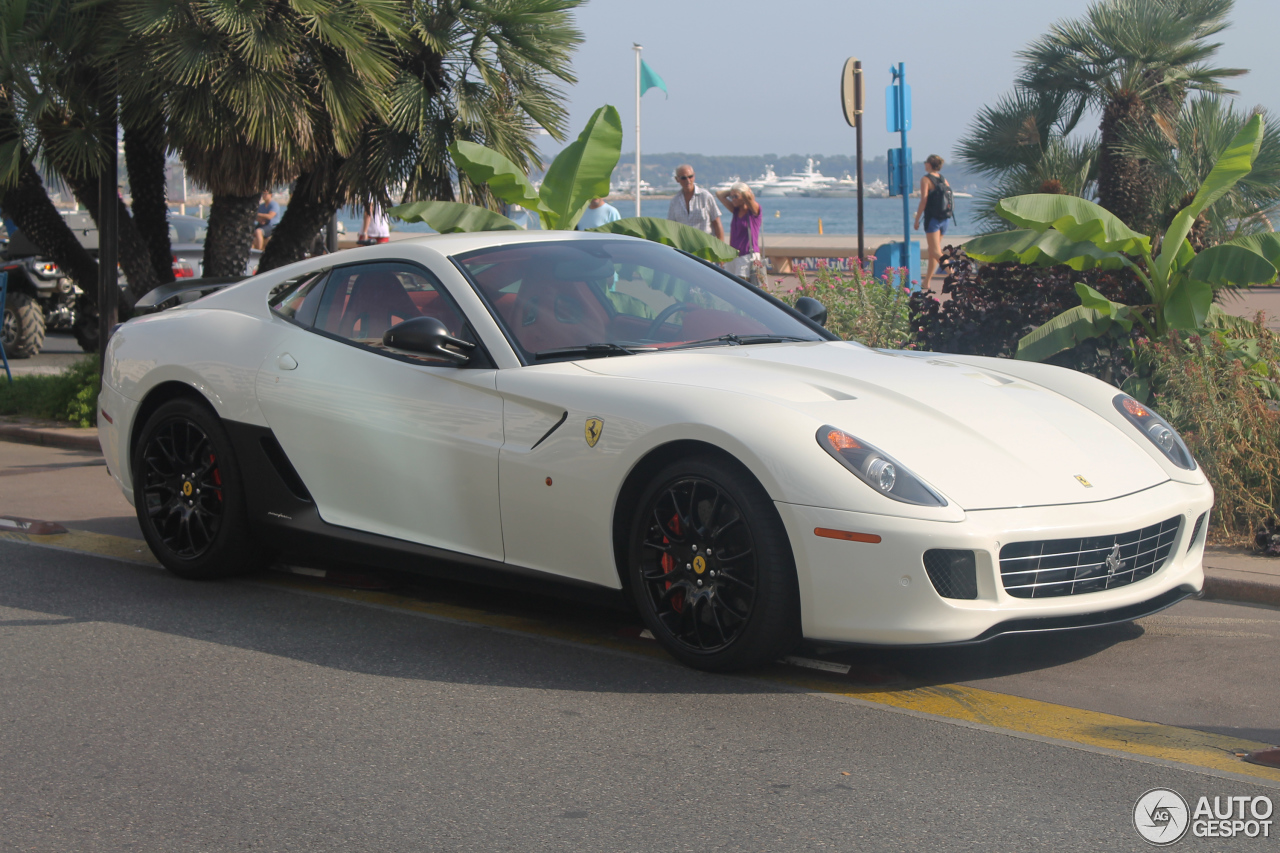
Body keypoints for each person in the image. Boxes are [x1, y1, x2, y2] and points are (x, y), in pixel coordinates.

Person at [913, 154, 953, 294]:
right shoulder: (943, 179)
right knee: (933, 251)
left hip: (933, 220)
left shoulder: (926, 179)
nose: (924, 164)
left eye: (925, 162)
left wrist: (917, 219)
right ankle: (926, 281)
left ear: (929, 164)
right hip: (945, 219)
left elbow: (923, 200)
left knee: (935, 251)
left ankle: (953, 274)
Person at [716, 182, 762, 282]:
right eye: (731, 197)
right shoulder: (736, 210)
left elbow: (748, 197)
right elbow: (719, 194)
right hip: (733, 255)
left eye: (736, 196)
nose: (733, 199)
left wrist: (744, 191)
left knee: (742, 285)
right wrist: (733, 190)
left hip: (747, 255)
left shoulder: (754, 212)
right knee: (730, 285)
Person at [667, 165, 725, 241]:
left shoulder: (705, 196)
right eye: (683, 178)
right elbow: (671, 227)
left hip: (706, 245)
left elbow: (717, 222)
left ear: (694, 176)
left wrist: (721, 247)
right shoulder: (675, 201)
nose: (688, 180)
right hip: (685, 247)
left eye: (690, 176)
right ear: (677, 179)